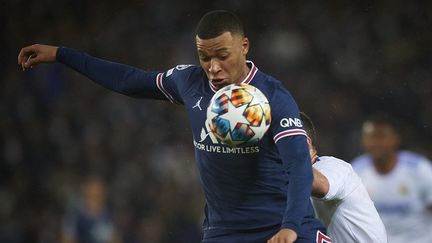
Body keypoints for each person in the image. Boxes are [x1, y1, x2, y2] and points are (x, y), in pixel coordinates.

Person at [18, 10, 329, 243]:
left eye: (222, 55)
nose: (213, 67)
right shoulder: (189, 82)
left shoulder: (274, 96)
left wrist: (290, 225)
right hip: (225, 232)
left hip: (283, 227)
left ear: (244, 47)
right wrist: (62, 54)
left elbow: (298, 163)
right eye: (204, 57)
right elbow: (128, 81)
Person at [300, 112, 387, 243]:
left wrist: (295, 159)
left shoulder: (334, 168)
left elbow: (322, 186)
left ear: (305, 144)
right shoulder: (279, 182)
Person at [351, 114, 432, 243]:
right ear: (363, 141)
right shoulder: (356, 171)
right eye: (371, 137)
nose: (376, 143)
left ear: (396, 139)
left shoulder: (419, 169)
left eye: (381, 136)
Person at [61, 175, 121, 243]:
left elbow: (114, 238)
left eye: (99, 192)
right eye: (92, 191)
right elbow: (67, 238)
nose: (95, 195)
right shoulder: (75, 214)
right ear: (85, 191)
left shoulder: (109, 214)